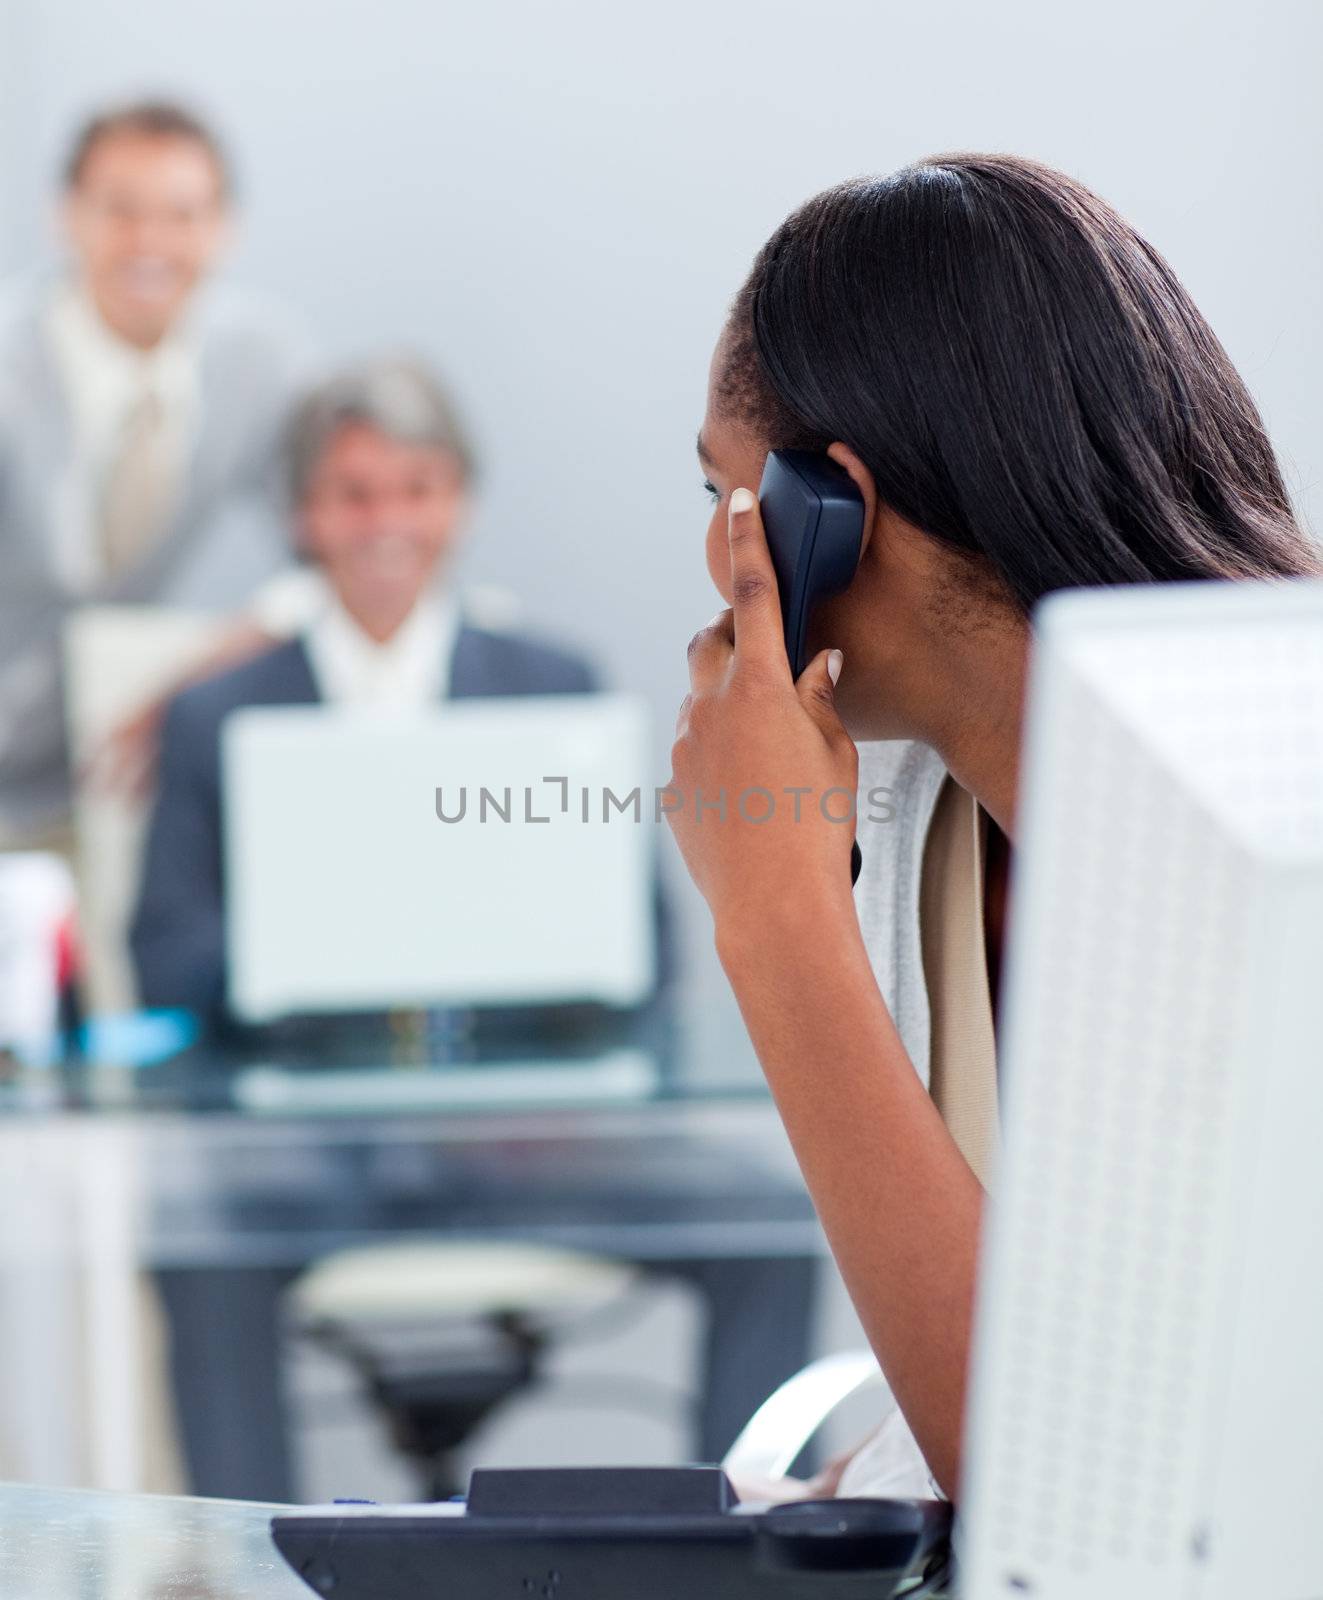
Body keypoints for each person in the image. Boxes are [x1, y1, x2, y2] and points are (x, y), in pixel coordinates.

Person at [667, 153, 1322, 1502]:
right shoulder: (921, 809)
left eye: (720, 496)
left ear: (827, 516)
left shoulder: (1273, 825)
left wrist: (778, 928)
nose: (714, 557)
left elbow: (1064, 1471)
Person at [130, 357, 598, 1024]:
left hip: (504, 1101)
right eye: (353, 495)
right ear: (303, 515)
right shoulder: (214, 716)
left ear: (461, 504)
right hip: (287, 1091)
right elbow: (167, 957)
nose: (387, 522)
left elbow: (629, 938)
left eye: (418, 490)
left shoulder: (555, 693)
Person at [0, 99, 313, 846]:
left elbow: (339, 538)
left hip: (103, 772)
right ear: (65, 216)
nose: (151, 243)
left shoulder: (257, 363)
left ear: (225, 229)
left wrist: (219, 656)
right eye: (121, 211)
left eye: (182, 214)